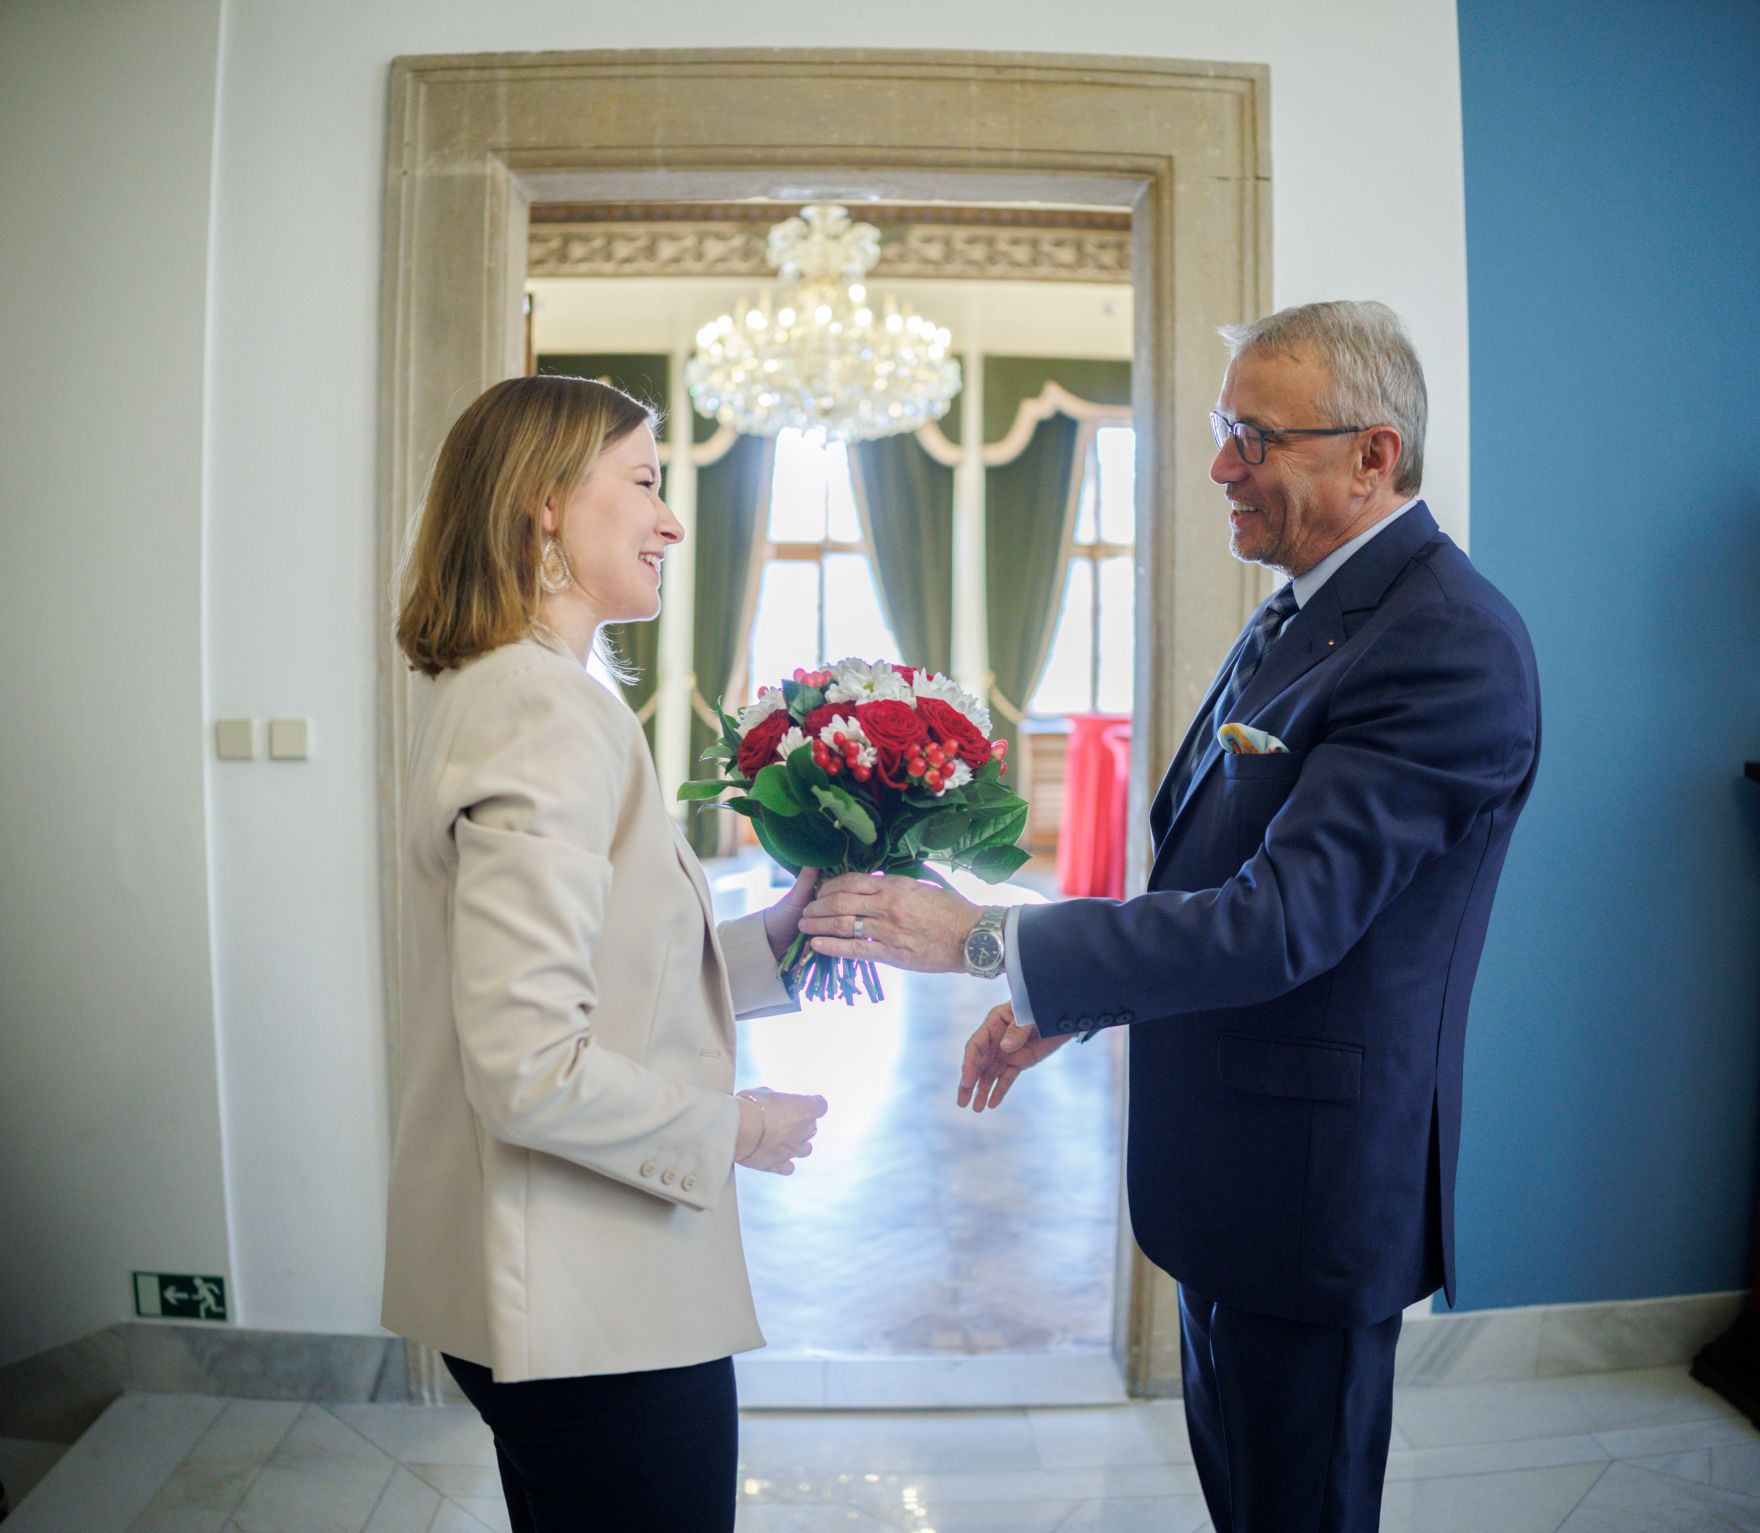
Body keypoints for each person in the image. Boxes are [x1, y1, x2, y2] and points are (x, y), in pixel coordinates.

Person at [800, 301, 1541, 1533]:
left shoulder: (1446, 645)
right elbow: (1205, 871)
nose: (1217, 468)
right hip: (1230, 1176)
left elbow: (1277, 923)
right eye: (1220, 428)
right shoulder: (1305, 604)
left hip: (1307, 1195)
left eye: (1254, 438)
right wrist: (1070, 1003)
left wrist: (983, 938)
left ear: (1373, 456)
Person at [382, 374, 828, 1533]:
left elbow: (603, 967)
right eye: (642, 483)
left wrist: (772, 945)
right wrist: (737, 1128)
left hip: (568, 1285)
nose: (672, 521)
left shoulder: (519, 690)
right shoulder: (537, 708)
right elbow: (527, 1061)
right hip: (586, 1300)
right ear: (541, 507)